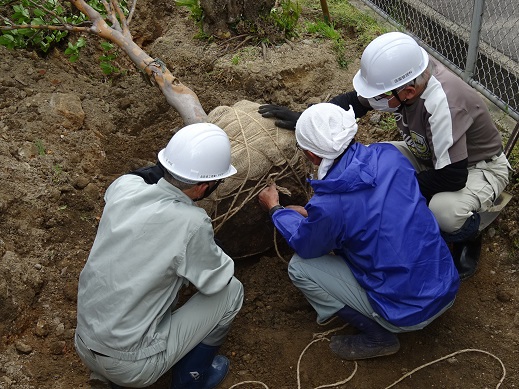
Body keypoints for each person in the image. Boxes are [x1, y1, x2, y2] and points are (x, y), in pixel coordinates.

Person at [258, 32, 511, 280]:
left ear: (409, 93)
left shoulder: (443, 104)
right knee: (375, 159)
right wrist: (308, 124)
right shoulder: (401, 81)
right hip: (429, 156)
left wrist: (390, 191)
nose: (372, 99)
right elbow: (353, 103)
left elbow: (452, 177)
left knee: (443, 211)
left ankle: (470, 234)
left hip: (475, 167)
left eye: (379, 96)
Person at [258, 103, 459, 360]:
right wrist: (314, 213)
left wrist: (276, 210)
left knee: (300, 267)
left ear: (311, 156)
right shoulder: (390, 156)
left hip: (408, 313)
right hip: (445, 287)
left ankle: (379, 336)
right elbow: (373, 208)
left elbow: (306, 244)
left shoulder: (330, 206)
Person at [74, 123, 244, 389]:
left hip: (84, 344)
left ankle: (105, 375)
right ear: (203, 188)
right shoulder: (192, 223)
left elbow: (139, 176)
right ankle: (193, 378)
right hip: (130, 366)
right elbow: (216, 280)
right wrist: (210, 248)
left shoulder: (123, 188)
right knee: (233, 291)